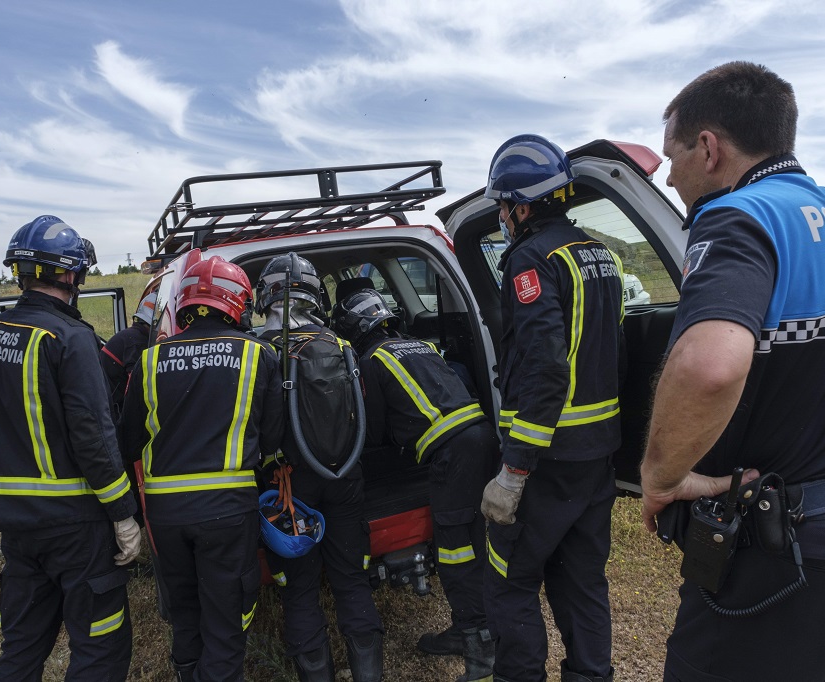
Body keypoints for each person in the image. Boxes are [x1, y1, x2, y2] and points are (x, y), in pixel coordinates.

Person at [641, 61, 825, 681]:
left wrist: (661, 475)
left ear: (708, 148)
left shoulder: (738, 218)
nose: (671, 179)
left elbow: (708, 367)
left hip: (785, 546)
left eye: (672, 157)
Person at [0, 215, 140, 680]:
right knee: (101, 647)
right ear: (68, 274)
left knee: (21, 647)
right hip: (74, 524)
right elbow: (94, 438)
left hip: (15, 526)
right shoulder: (70, 338)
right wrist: (122, 513)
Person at [478, 135, 625, 682]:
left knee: (510, 580)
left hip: (545, 459)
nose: (500, 217)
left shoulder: (530, 259)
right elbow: (614, 350)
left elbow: (543, 369)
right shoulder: (597, 253)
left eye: (501, 206)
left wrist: (514, 471)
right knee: (583, 580)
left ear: (521, 205)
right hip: (596, 456)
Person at [120, 253, 284, 682]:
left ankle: (187, 671)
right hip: (227, 511)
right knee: (225, 616)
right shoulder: (257, 355)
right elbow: (272, 439)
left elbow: (128, 441)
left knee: (184, 605)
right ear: (237, 303)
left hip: (165, 515)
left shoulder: (150, 360)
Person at [333, 287, 500, 682]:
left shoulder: (372, 359)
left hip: (454, 454)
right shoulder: (419, 345)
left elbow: (371, 435)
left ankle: (480, 655)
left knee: (455, 551)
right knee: (474, 540)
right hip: (480, 438)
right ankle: (469, 628)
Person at [254, 253, 384, 682]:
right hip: (346, 476)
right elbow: (367, 416)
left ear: (267, 295)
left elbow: (261, 432)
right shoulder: (342, 346)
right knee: (352, 579)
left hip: (291, 487)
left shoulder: (263, 351)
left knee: (300, 590)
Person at [100, 291, 157, 415]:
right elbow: (135, 388)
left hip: (107, 404)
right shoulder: (137, 343)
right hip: (116, 410)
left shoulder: (129, 336)